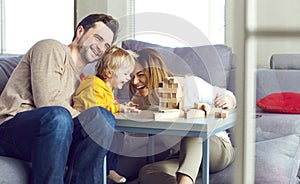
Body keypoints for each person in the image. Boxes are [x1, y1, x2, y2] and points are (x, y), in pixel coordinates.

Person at [0, 13, 120, 184]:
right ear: (80, 32)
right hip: (10, 129)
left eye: (106, 45)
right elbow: (47, 103)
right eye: (98, 38)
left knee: (102, 119)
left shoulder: (80, 81)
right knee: (58, 117)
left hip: (52, 138)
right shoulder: (50, 48)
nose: (101, 47)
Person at [129, 48, 236, 184]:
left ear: (154, 72)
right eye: (131, 76)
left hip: (216, 150)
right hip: (183, 157)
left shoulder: (190, 84)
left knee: (191, 130)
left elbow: (228, 95)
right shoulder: (145, 101)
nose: (134, 81)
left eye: (140, 75)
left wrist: (228, 100)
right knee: (147, 172)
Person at [72, 46, 139, 183]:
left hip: (94, 130)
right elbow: (96, 111)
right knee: (112, 130)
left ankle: (109, 169)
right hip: (82, 133)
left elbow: (106, 106)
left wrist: (120, 107)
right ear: (109, 73)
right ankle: (106, 169)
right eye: (126, 74)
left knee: (118, 133)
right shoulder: (94, 85)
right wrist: (117, 107)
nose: (128, 78)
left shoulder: (107, 89)